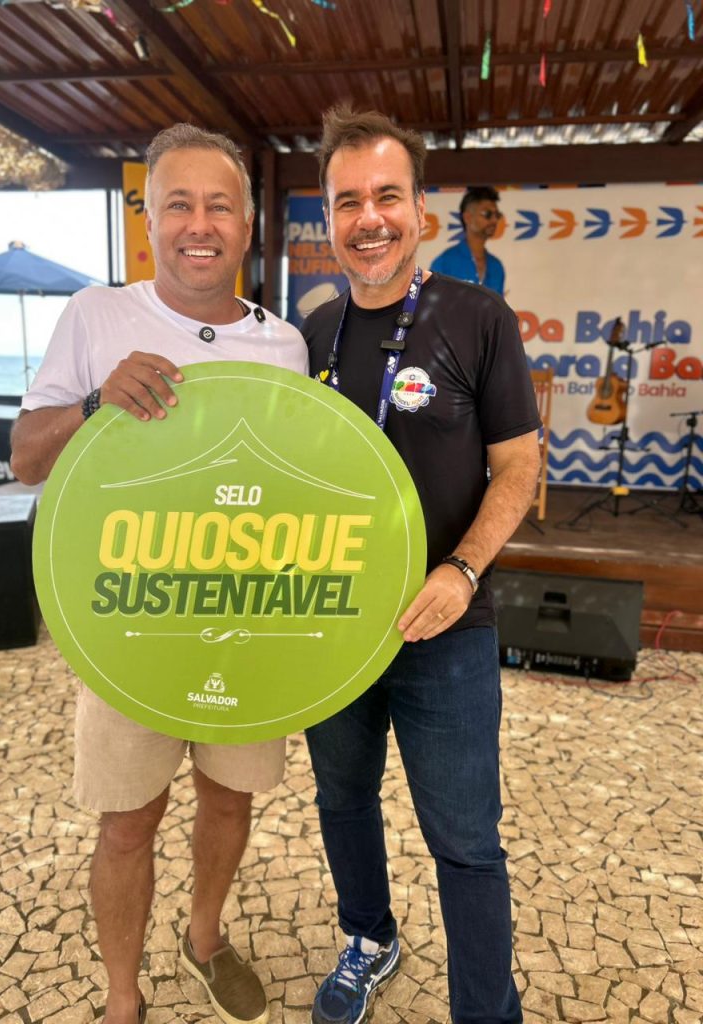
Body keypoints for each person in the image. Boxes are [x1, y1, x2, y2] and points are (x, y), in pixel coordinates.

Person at [10, 124, 308, 1024]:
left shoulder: (286, 346)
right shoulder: (95, 315)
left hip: (244, 622)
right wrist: (96, 401)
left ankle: (203, 940)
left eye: (219, 205)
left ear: (248, 224)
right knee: (127, 820)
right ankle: (121, 998)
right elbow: (25, 459)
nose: (198, 224)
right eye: (178, 204)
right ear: (150, 221)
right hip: (127, 624)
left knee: (230, 800)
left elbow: (298, 490)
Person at [300, 106, 541, 1024]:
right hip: (334, 630)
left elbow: (518, 466)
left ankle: (486, 1010)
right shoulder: (312, 335)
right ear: (328, 217)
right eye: (348, 200)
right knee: (342, 799)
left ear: (420, 208)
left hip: (447, 629)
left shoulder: (478, 318)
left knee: (467, 841)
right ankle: (369, 938)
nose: (369, 218)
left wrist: (463, 570)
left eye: (387, 196)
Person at [430, 185, 506, 295]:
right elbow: (431, 303)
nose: (494, 220)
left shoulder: (496, 266)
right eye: (488, 214)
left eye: (497, 215)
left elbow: (498, 306)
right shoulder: (445, 262)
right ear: (467, 217)